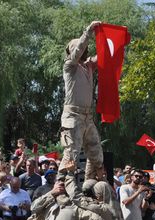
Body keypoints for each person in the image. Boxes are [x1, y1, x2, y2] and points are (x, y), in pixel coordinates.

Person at [58, 21, 104, 180]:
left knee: (96, 152)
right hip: (73, 116)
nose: (84, 50)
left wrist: (116, 43)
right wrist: (89, 31)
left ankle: (97, 184)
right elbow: (78, 51)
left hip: (87, 117)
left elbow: (105, 56)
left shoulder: (88, 66)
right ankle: (62, 187)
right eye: (81, 47)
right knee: (71, 155)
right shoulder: (69, 66)